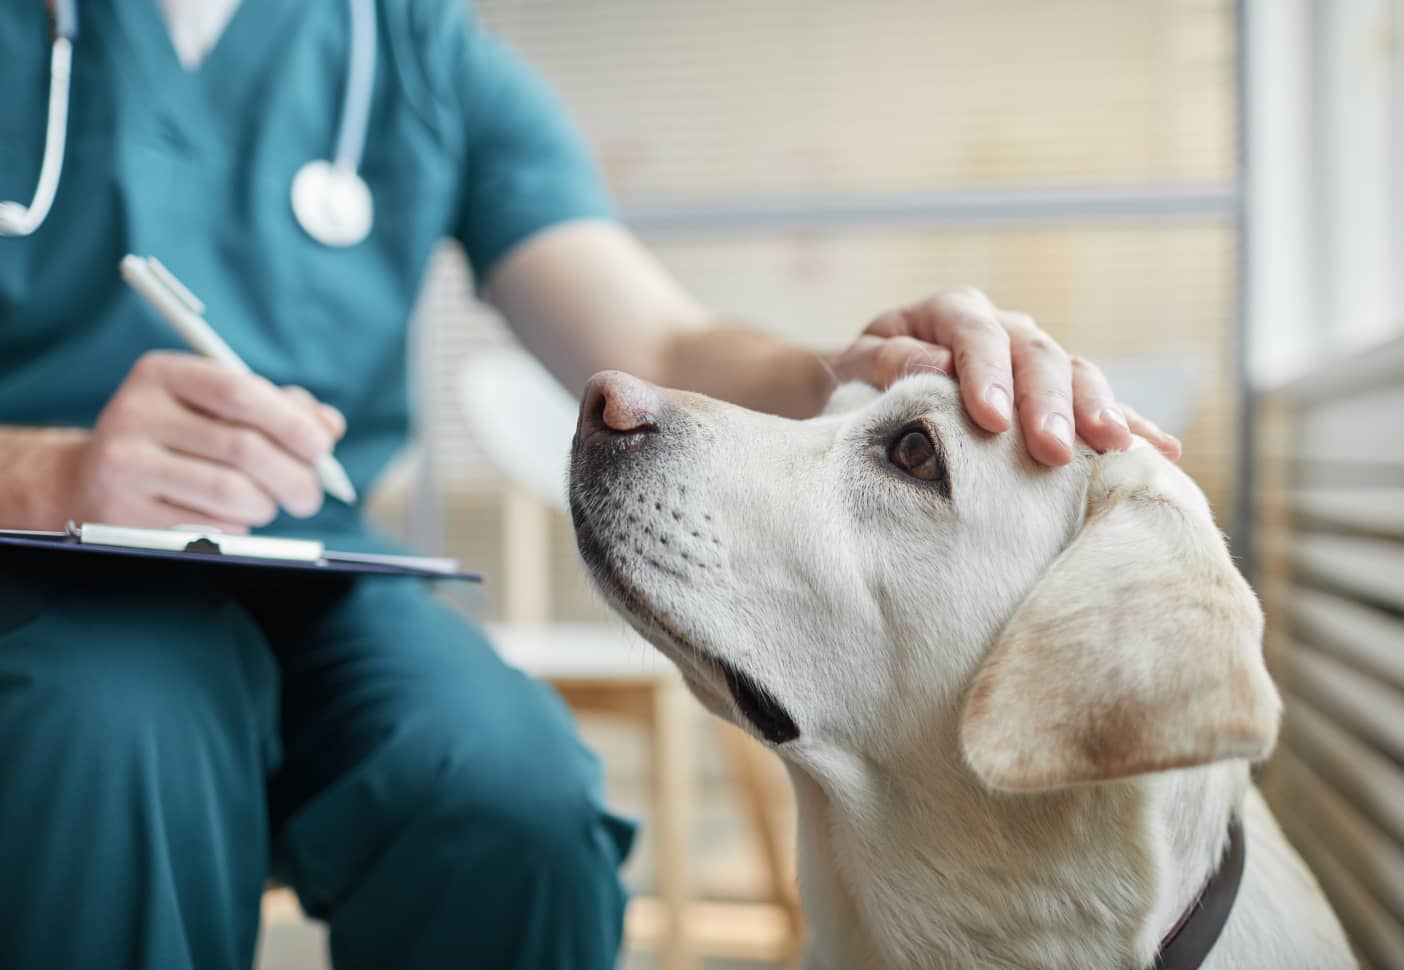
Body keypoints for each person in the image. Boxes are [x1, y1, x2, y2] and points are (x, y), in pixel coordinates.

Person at [0, 2, 1180, 969]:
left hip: (317, 573)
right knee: (111, 739)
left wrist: (850, 366)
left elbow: (660, 346)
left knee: (517, 799)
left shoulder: (416, 50)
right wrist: (47, 468)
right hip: (35, 573)